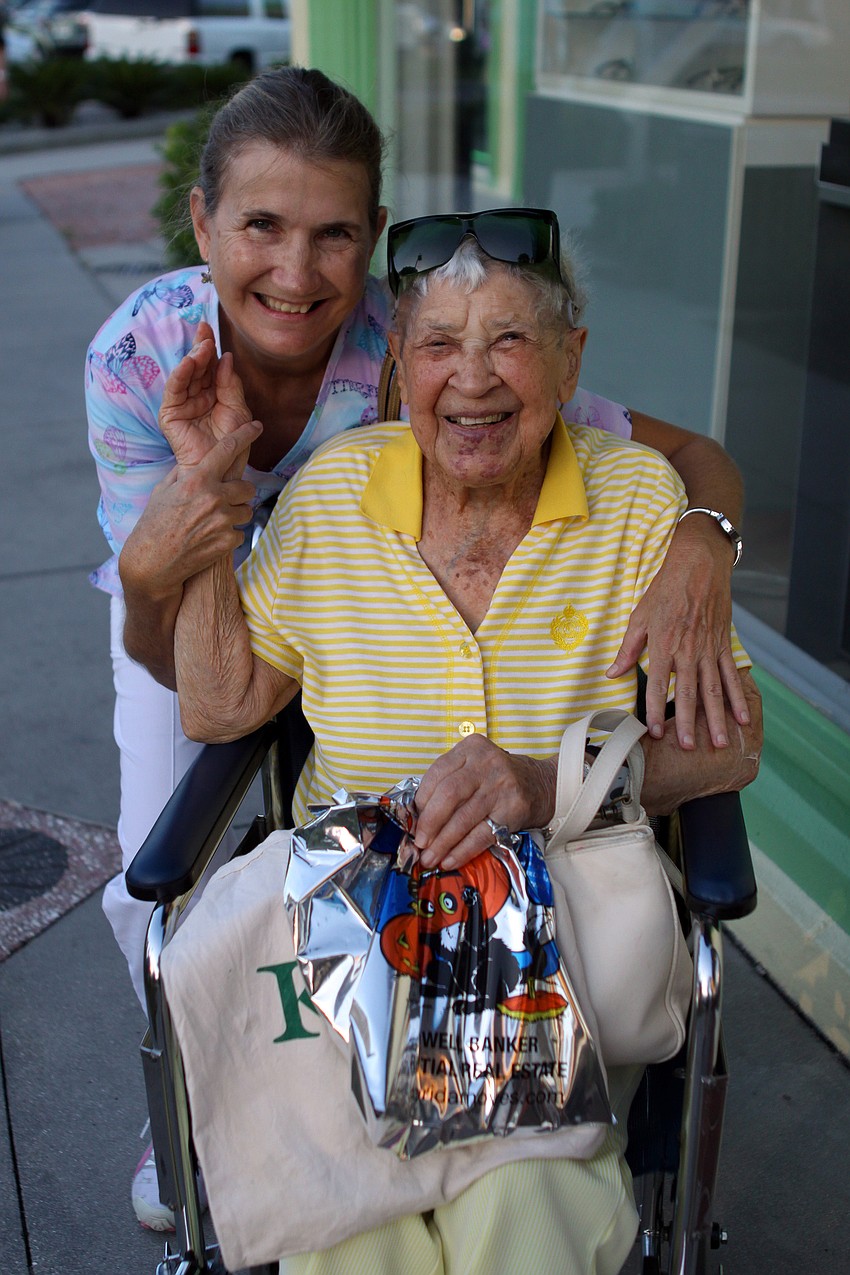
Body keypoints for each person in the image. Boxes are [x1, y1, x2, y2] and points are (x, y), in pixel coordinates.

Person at [86, 66, 747, 1226]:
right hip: (201, 607)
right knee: (160, 888)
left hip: (553, 949)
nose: (475, 375)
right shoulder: (153, 362)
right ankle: (200, 1085)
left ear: (568, 360)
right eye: (445, 344)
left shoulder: (588, 464)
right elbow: (196, 686)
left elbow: (685, 474)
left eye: (333, 234)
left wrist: (702, 537)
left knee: (525, 1208)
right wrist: (198, 493)